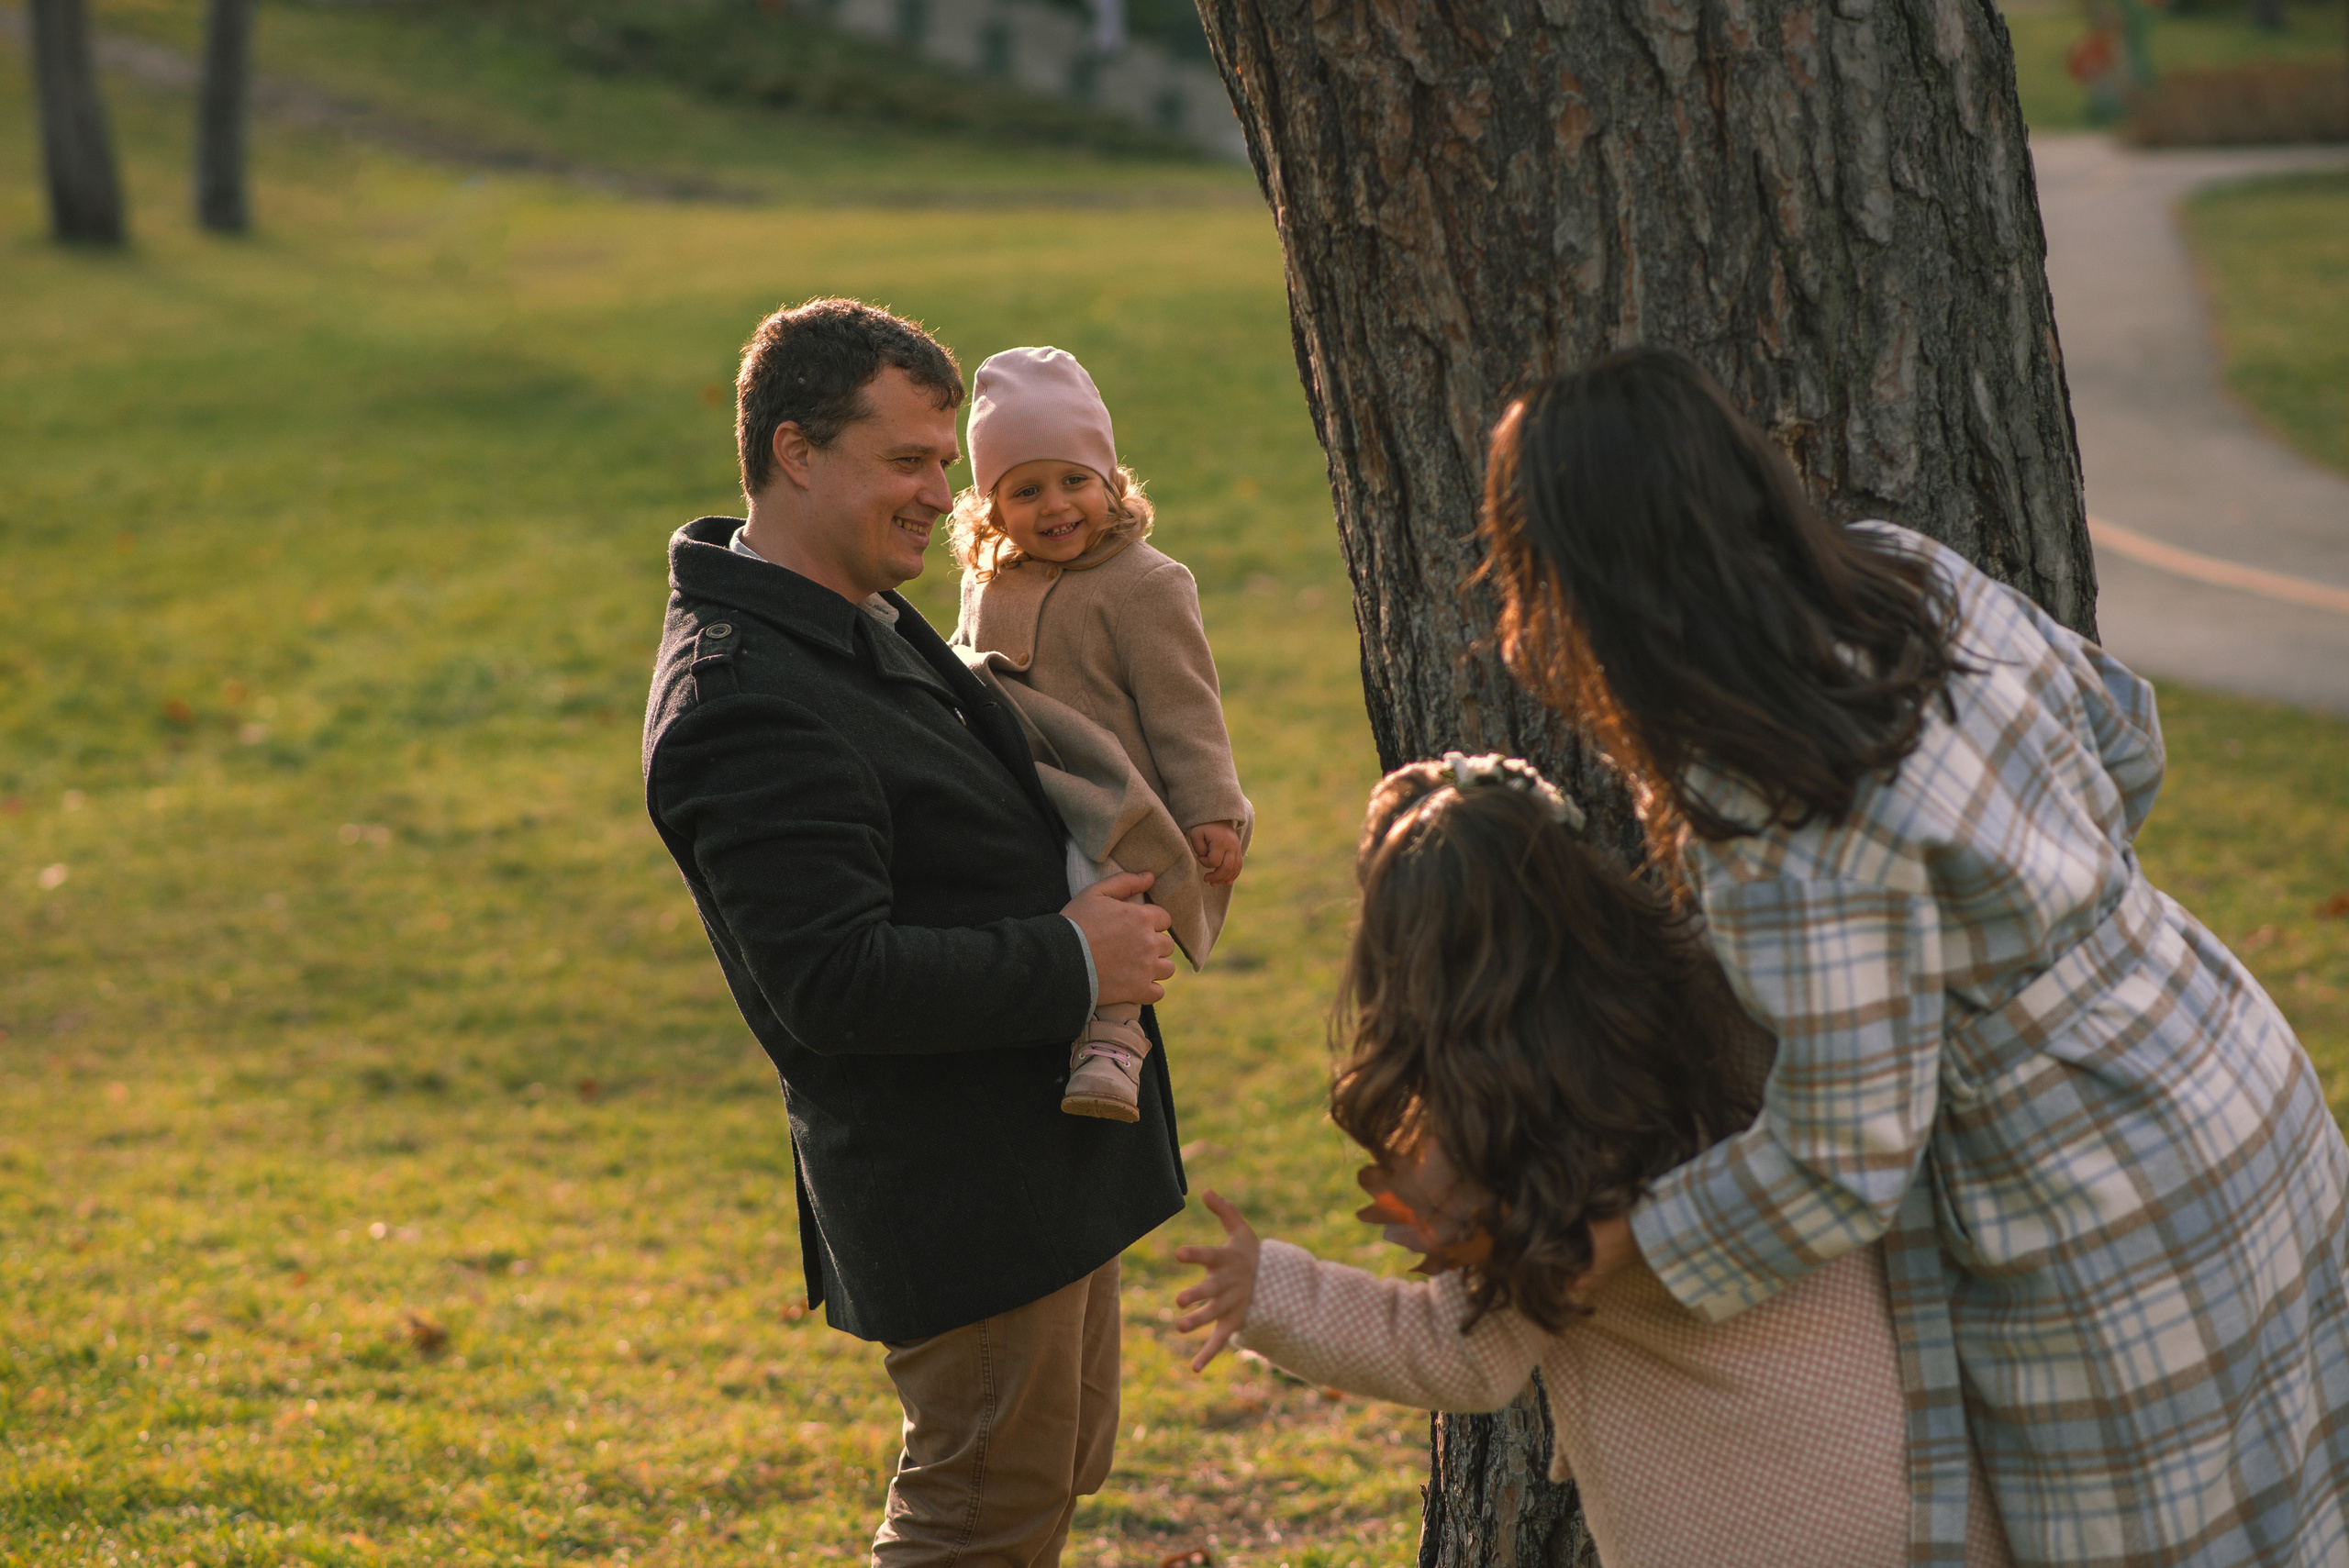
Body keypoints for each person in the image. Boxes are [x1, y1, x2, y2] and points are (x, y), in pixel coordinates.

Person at [1465, 347, 2349, 1565]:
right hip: (2229, 1070)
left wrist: (1601, 1249)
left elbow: (1841, 1159)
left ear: (1584, 580)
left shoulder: (1771, 804)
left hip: (2095, 1215)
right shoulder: (1905, 575)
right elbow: (2124, 734)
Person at [640, 297, 1186, 1566]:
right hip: (963, 1187)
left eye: (946, 462)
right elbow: (830, 980)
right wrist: (1076, 960)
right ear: (795, 452)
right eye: (907, 460)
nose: (942, 494)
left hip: (1037, 1161)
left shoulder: (855, 610)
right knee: (973, 1522)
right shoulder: (743, 695)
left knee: (1045, 1480)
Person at [1174, 755, 2015, 1568]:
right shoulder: (1723, 1005)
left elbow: (1457, 1352)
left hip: (1713, 1535)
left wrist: (1270, 1290)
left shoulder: (1509, 1160)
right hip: (1913, 1489)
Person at [948, 345, 1251, 1122]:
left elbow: (1186, 710)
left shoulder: (1146, 583)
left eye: (1074, 480)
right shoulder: (989, 579)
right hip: (1020, 788)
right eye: (1026, 491)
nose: (1055, 506)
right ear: (991, 508)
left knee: (1100, 874)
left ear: (1111, 482)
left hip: (1109, 799)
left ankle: (1115, 1037)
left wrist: (1212, 807)